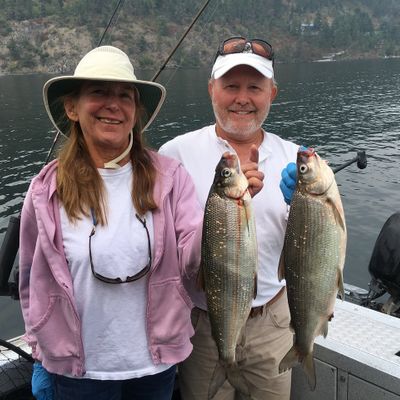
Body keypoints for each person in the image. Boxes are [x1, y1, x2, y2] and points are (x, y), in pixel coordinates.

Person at [19, 45, 204, 400]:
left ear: (135, 112)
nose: (113, 104)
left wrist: (227, 211)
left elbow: (193, 258)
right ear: (72, 108)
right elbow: (31, 278)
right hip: (77, 371)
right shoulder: (45, 190)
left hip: (154, 365)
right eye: (99, 92)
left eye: (124, 96)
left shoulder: (171, 177)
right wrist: (39, 345)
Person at [159, 36, 299, 399]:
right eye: (231, 86)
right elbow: (165, 250)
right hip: (204, 326)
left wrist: (305, 204)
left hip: (273, 322)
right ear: (211, 89)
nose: (242, 98)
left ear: (272, 93)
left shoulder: (295, 158)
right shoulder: (174, 154)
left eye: (255, 87)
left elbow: (313, 245)